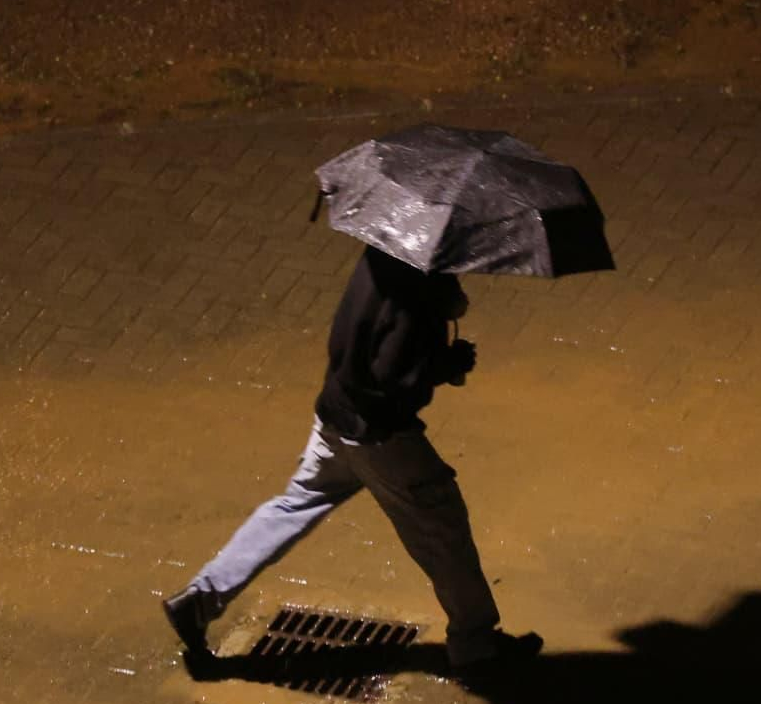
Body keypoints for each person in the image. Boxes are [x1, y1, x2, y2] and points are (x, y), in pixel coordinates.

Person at [162, 246, 542, 678]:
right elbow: (393, 378)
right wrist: (443, 362)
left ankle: (201, 597)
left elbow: (357, 343)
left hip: (333, 415)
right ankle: (475, 644)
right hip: (382, 439)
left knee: (293, 505)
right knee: (443, 529)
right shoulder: (418, 300)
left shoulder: (380, 256)